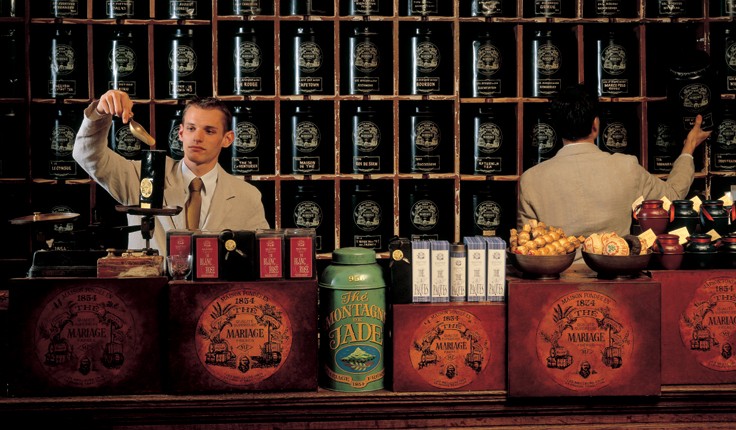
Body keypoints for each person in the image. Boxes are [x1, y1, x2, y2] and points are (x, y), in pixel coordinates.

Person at [73, 90, 270, 253]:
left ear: (227, 139)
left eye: (209, 131)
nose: (197, 138)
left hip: (213, 298)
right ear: (181, 133)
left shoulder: (248, 197)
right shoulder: (143, 176)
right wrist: (100, 112)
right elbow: (87, 155)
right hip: (149, 293)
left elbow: (257, 256)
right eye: (191, 129)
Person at [517, 83, 712, 244]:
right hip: (617, 277)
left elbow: (526, 246)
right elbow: (674, 195)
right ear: (595, 125)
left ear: (558, 128)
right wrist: (689, 146)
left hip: (555, 283)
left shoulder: (531, 180)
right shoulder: (626, 167)